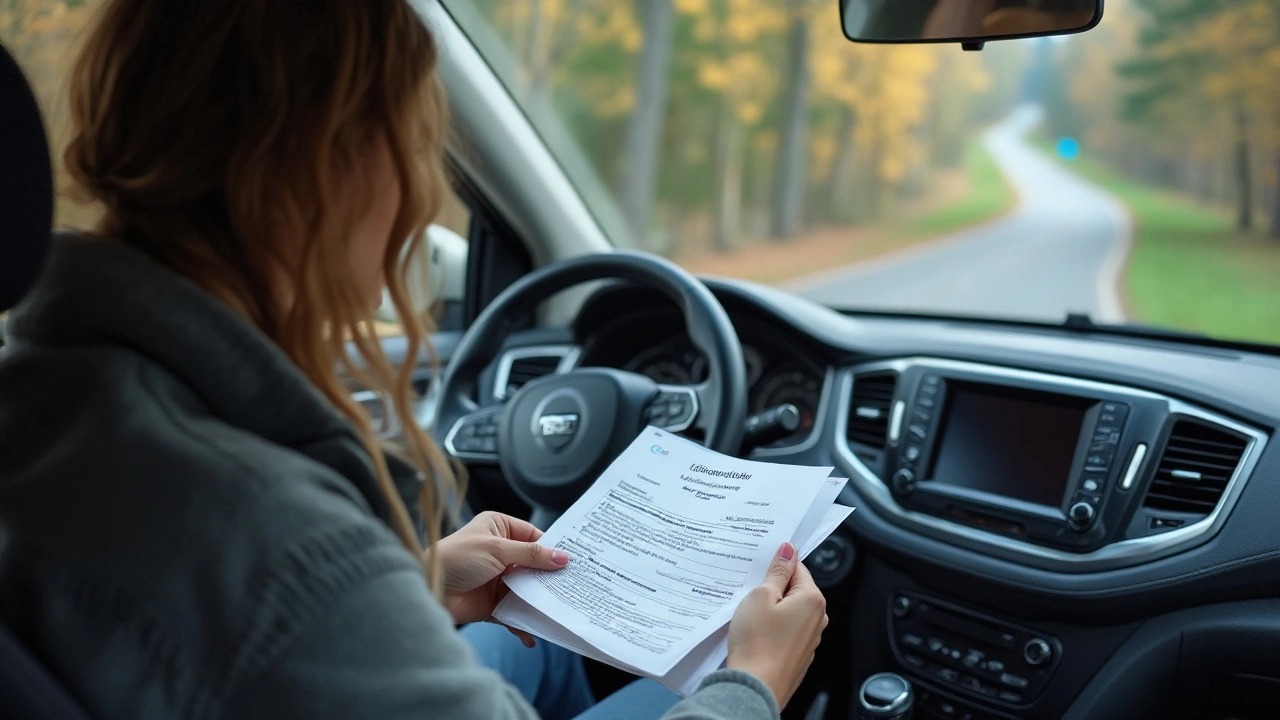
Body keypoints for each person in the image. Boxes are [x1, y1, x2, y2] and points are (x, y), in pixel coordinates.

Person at [0, 1, 828, 719]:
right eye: (411, 147)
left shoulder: (50, 397)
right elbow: (276, 599)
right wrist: (752, 681)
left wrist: (414, 582)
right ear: (336, 166)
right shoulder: (274, 540)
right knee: (706, 681)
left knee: (531, 648)